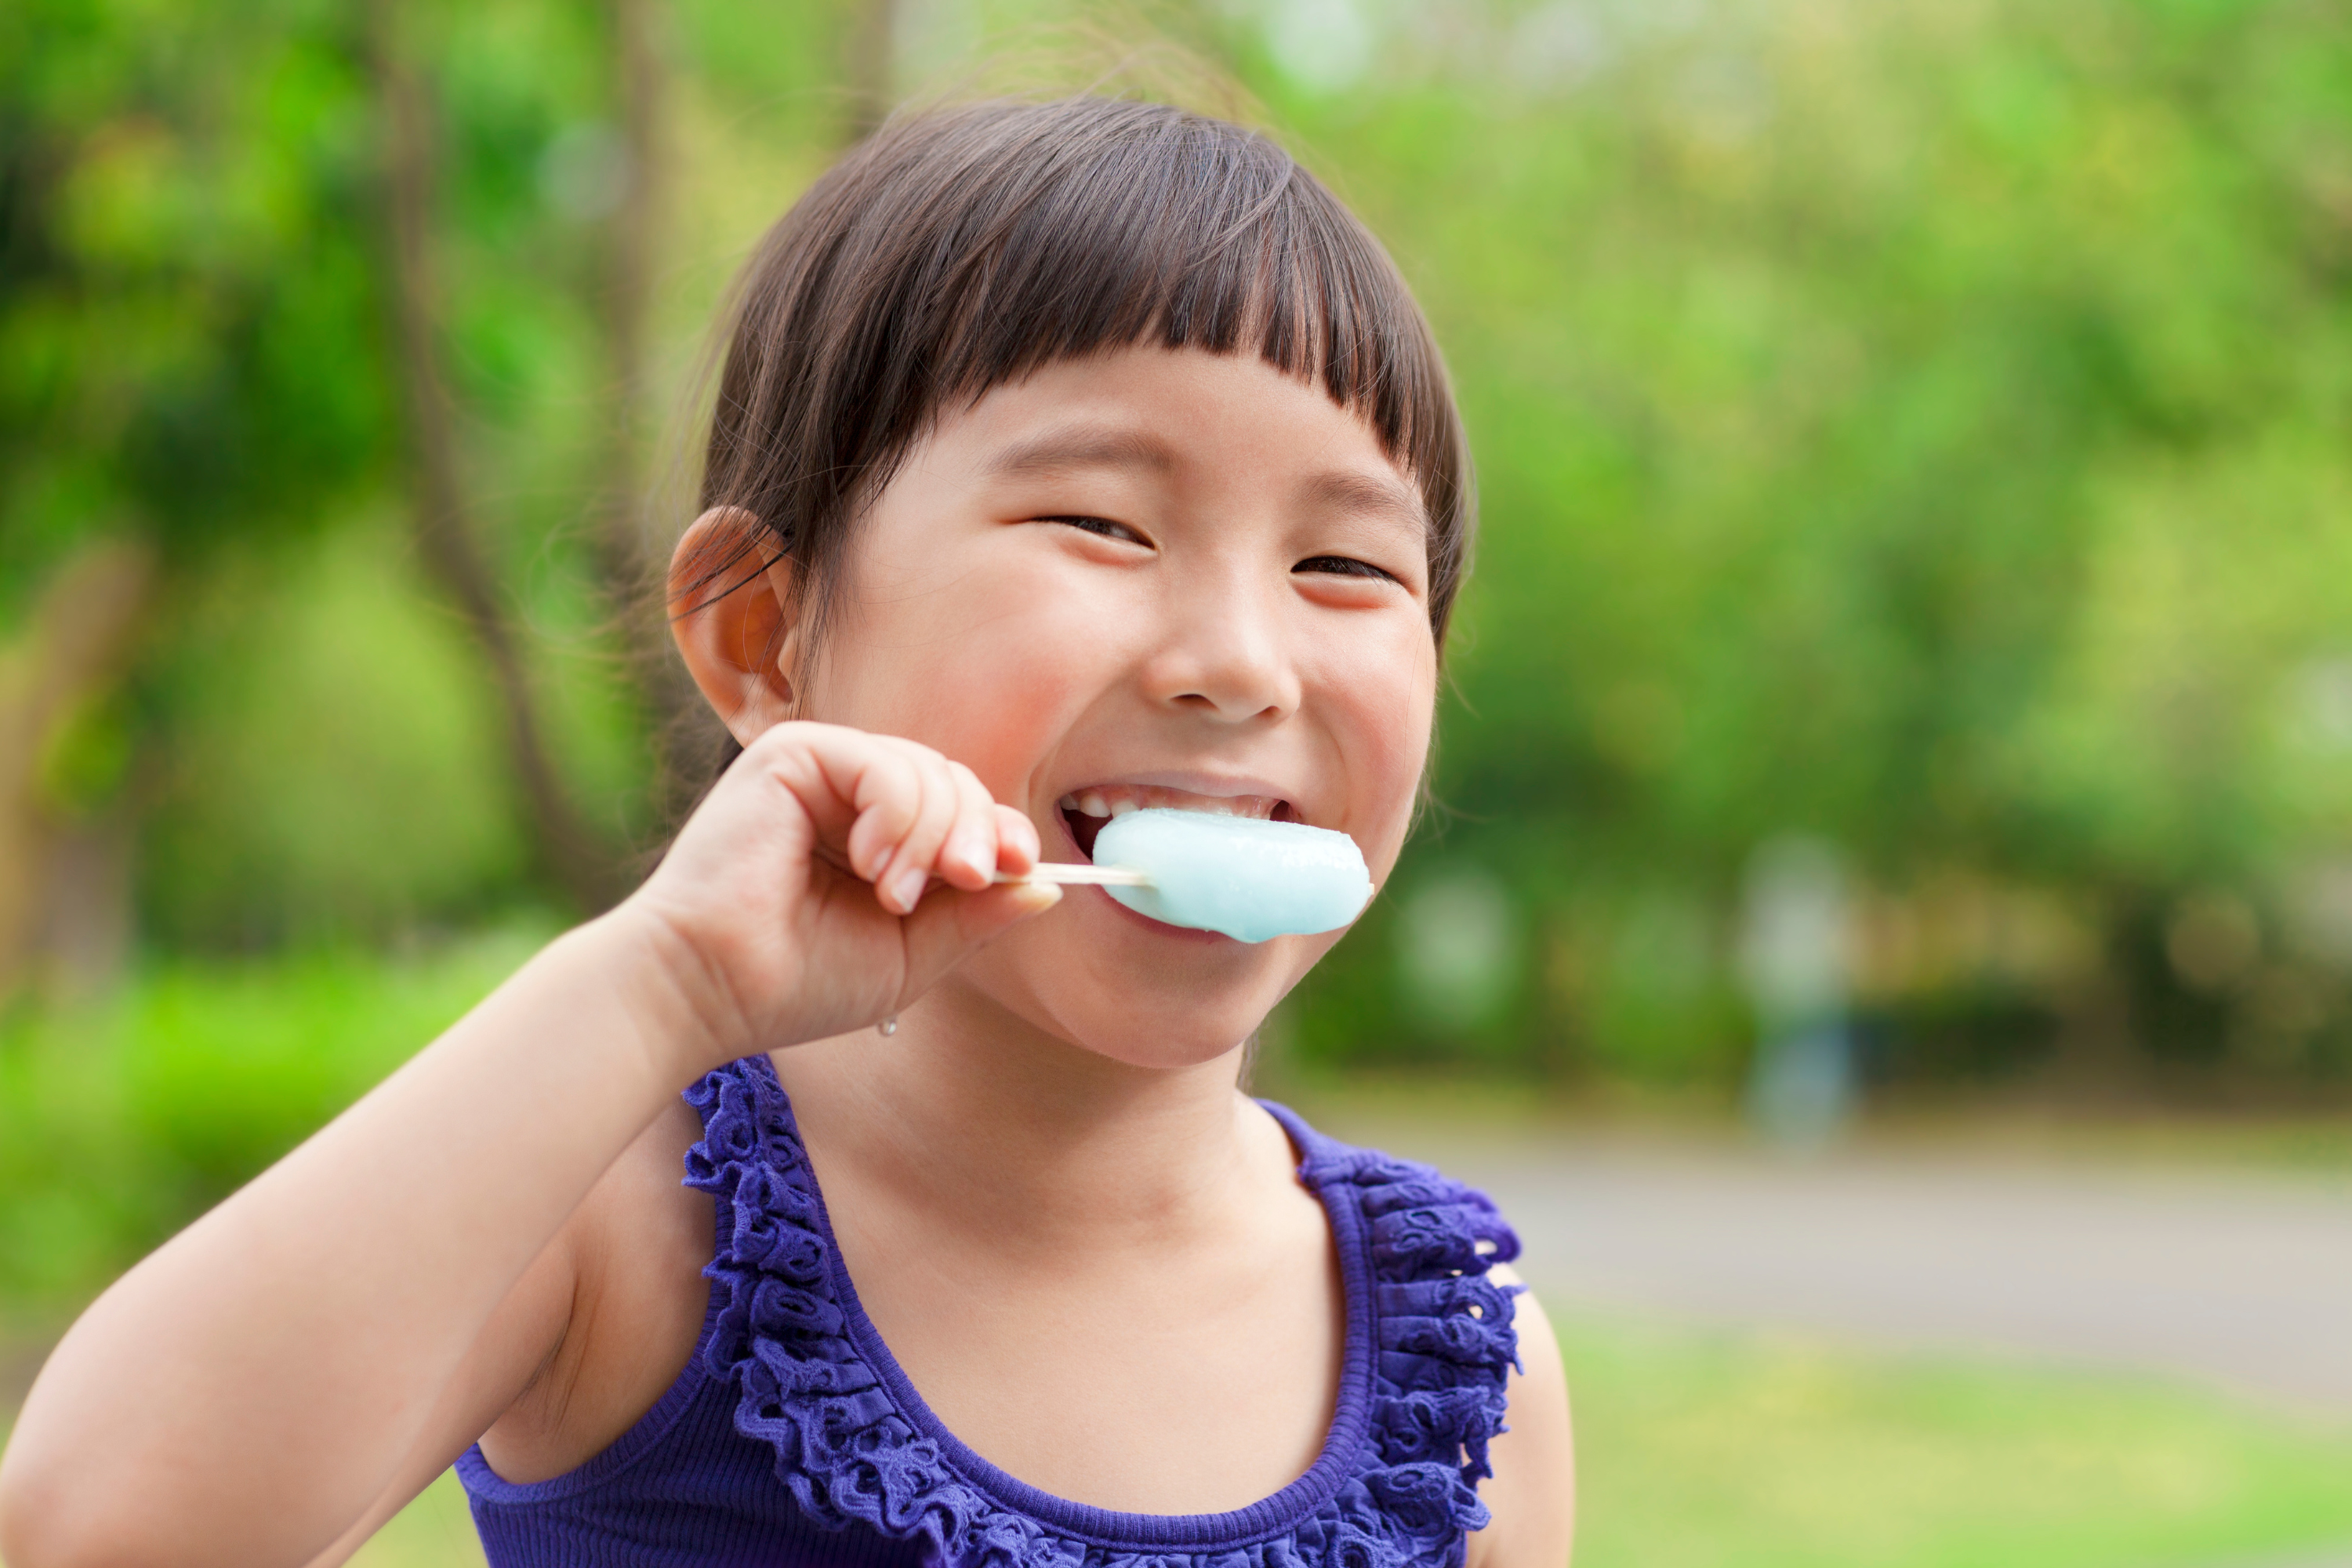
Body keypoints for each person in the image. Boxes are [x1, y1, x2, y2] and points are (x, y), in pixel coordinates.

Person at [0, 96, 1574, 1568]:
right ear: (761, 638)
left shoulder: (1462, 1352)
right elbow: (85, 1530)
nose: (1238, 660)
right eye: (1102, 521)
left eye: (1348, 568)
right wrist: (660, 983)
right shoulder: (628, 1213)